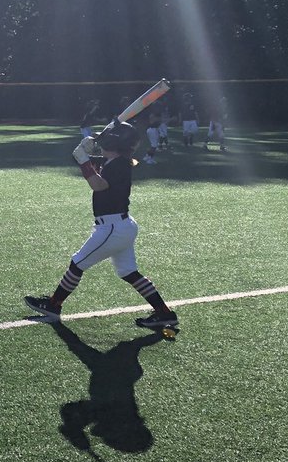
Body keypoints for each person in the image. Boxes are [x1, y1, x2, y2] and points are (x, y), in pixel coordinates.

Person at [24, 121, 179, 331]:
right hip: (121, 225)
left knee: (77, 263)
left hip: (112, 228)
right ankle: (164, 313)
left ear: (114, 142)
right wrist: (82, 155)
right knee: (129, 272)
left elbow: (98, 184)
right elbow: (91, 165)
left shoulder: (118, 164)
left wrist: (83, 159)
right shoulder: (116, 161)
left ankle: (53, 304)